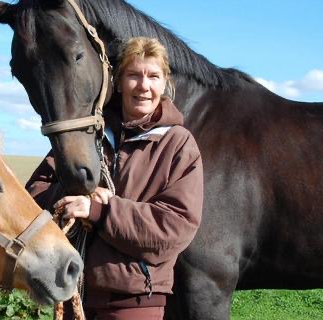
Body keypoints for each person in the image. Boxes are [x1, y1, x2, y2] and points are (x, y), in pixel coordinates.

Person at [26, 37, 203, 320]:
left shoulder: (178, 144)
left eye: (153, 76)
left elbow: (175, 227)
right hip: (74, 294)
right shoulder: (86, 136)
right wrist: (72, 197)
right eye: (134, 75)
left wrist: (102, 212)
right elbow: (34, 192)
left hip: (133, 303)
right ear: (118, 82)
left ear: (165, 83)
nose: (143, 86)